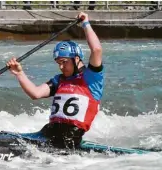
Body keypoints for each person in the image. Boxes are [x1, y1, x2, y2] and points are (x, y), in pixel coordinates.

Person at [6, 12, 103, 150]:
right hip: (48, 134)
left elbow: (97, 50)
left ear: (76, 59)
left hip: (70, 141)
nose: (61, 67)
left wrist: (85, 23)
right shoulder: (59, 80)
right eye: (58, 63)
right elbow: (35, 93)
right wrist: (19, 73)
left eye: (64, 62)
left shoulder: (92, 77)